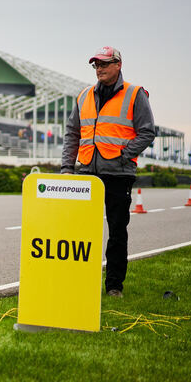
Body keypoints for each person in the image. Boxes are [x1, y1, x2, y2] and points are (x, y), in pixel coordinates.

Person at [61, 46, 155, 297]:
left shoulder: (135, 94)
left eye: (104, 64)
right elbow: (72, 134)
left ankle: (114, 286)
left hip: (118, 175)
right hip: (86, 175)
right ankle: (81, 281)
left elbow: (147, 131)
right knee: (80, 232)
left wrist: (123, 154)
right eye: (96, 65)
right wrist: (67, 168)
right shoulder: (83, 96)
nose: (99, 69)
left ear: (118, 65)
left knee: (116, 232)